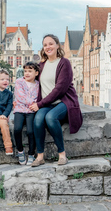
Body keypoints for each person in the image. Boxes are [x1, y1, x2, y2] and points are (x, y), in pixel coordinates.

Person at [29, 34, 83, 167]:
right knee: (38, 119)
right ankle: (40, 156)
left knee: (51, 118)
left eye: (51, 44)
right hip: (47, 103)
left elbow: (60, 89)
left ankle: (62, 154)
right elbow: (29, 80)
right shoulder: (41, 65)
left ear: (57, 45)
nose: (48, 47)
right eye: (45, 45)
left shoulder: (64, 63)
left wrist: (39, 104)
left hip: (64, 102)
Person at [13, 61, 40, 165]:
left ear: (36, 73)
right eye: (25, 71)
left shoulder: (38, 85)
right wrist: (33, 102)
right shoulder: (19, 82)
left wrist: (34, 104)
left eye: (30, 71)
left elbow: (38, 97)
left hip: (31, 111)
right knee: (17, 129)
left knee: (31, 131)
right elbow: (20, 95)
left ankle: (31, 154)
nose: (27, 73)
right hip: (19, 109)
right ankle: (20, 151)